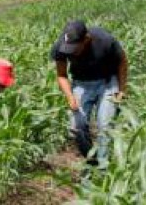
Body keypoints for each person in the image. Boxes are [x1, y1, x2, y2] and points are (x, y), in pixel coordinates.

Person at [50, 20, 128, 167]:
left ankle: (104, 167)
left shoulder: (105, 40)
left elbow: (122, 62)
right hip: (81, 83)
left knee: (105, 125)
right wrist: (70, 96)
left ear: (86, 39)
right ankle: (92, 162)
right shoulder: (61, 46)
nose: (70, 52)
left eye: (74, 48)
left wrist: (122, 90)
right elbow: (61, 75)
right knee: (76, 127)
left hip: (107, 83)